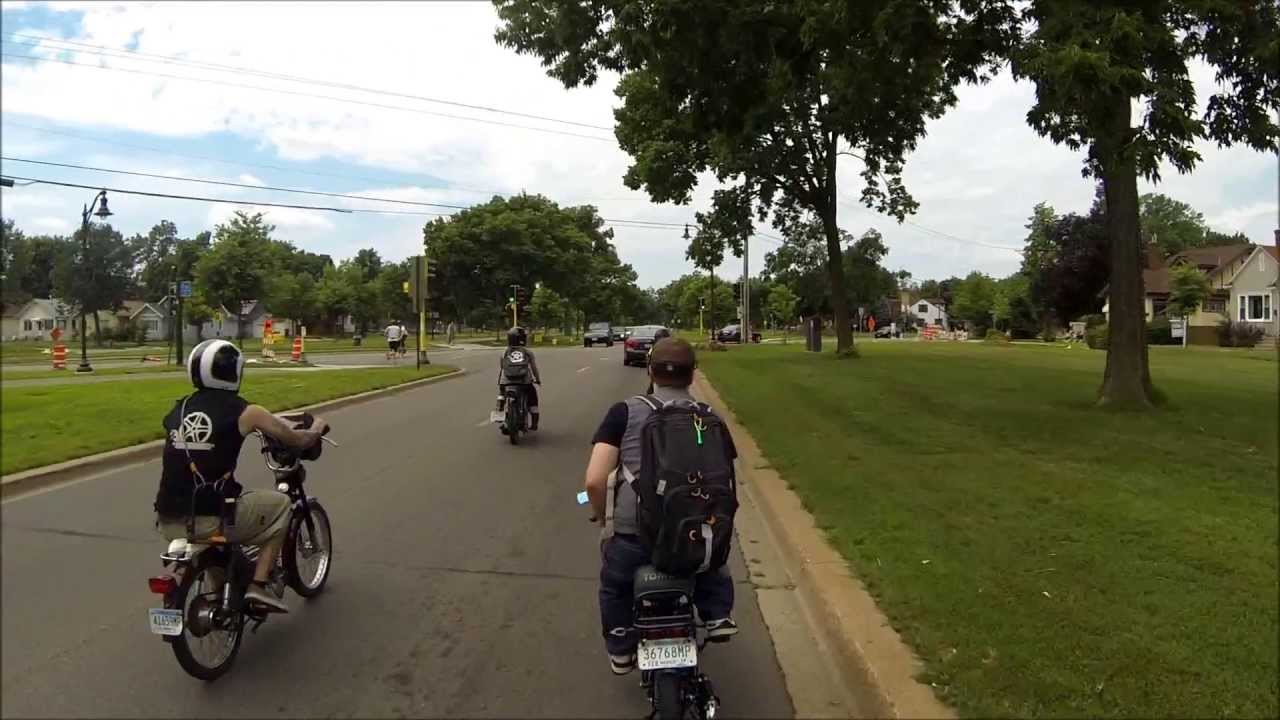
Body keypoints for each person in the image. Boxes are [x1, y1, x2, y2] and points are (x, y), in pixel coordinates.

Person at [584, 337, 738, 675]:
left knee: (615, 586)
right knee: (713, 562)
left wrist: (600, 515)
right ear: (693, 375)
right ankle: (717, 614)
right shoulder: (709, 416)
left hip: (635, 533)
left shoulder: (624, 412)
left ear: (650, 371)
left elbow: (595, 480)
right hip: (695, 531)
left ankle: (622, 649)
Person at [153, 339, 327, 613]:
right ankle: (258, 586)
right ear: (234, 372)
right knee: (280, 505)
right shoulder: (246, 411)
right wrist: (317, 427)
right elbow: (295, 439)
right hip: (213, 517)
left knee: (221, 530)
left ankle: (222, 590)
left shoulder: (179, 409)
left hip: (169, 520)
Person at [495, 326, 541, 430]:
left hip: (506, 381)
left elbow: (502, 367)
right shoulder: (527, 352)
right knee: (532, 398)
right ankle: (534, 423)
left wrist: (502, 382)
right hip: (524, 382)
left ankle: (499, 414)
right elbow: (534, 368)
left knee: (501, 395)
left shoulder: (504, 352)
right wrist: (537, 379)